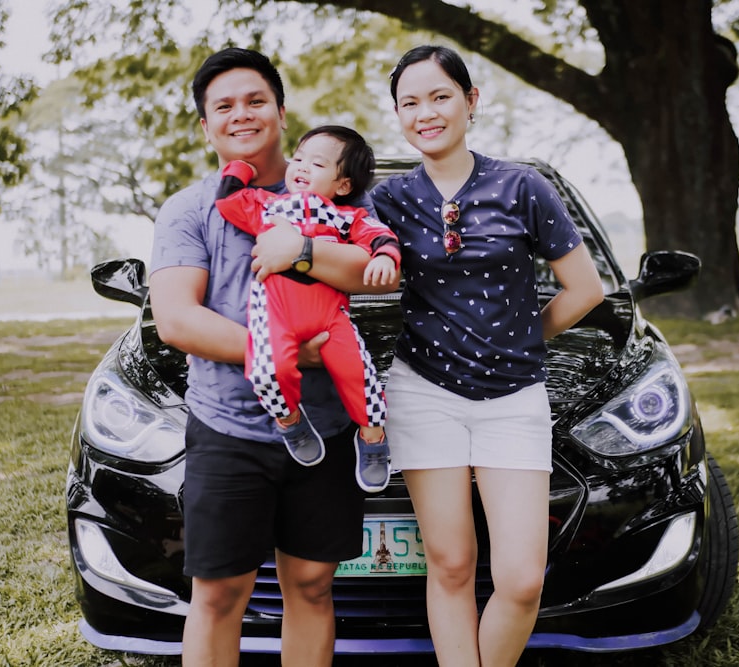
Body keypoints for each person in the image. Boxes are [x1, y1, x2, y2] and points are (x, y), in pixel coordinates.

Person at [148, 47, 398, 667]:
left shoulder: (338, 196)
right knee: (219, 592)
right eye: (223, 106)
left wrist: (303, 249)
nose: (242, 115)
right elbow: (178, 319)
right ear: (204, 126)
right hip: (228, 427)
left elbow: (376, 274)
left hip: (330, 426)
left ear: (282, 112)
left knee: (312, 585)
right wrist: (287, 356)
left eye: (256, 100)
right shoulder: (189, 208)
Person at [370, 45, 606, 667]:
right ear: (397, 114)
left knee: (523, 577)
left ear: (471, 102)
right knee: (450, 564)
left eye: (440, 96)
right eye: (409, 103)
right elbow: (340, 254)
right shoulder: (388, 200)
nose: (426, 112)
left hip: (514, 398)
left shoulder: (522, 186)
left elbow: (585, 290)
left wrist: (523, 337)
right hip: (423, 393)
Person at [214, 124, 400, 493]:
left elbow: (379, 236)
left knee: (359, 375)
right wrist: (241, 167)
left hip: (330, 316)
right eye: (297, 158)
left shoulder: (347, 216)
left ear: (343, 185)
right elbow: (229, 200)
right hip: (275, 313)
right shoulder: (267, 206)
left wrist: (385, 256)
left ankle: (373, 437)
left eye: (316, 163)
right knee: (268, 370)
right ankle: (290, 422)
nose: (300, 166)